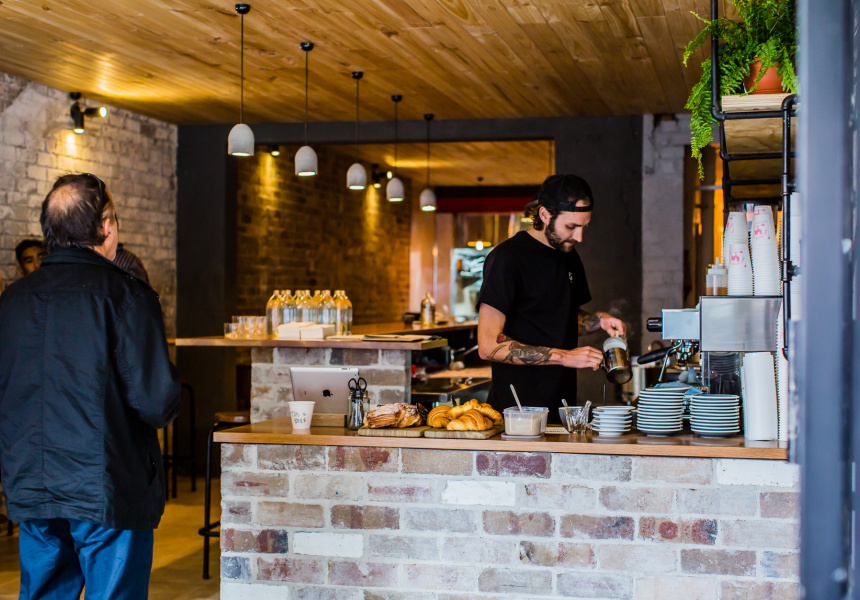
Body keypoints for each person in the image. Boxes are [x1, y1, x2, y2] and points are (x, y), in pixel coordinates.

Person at [0, 173, 180, 599]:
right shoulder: (127, 296)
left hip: (32, 484)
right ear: (106, 226)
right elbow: (156, 403)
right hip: (107, 488)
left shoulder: (12, 301)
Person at [477, 173, 626, 419]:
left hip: (562, 405)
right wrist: (564, 356)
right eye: (571, 227)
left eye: (584, 227)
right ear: (545, 215)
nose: (579, 237)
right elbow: (487, 345)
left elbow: (562, 318)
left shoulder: (569, 256)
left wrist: (599, 320)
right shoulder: (507, 259)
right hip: (517, 412)